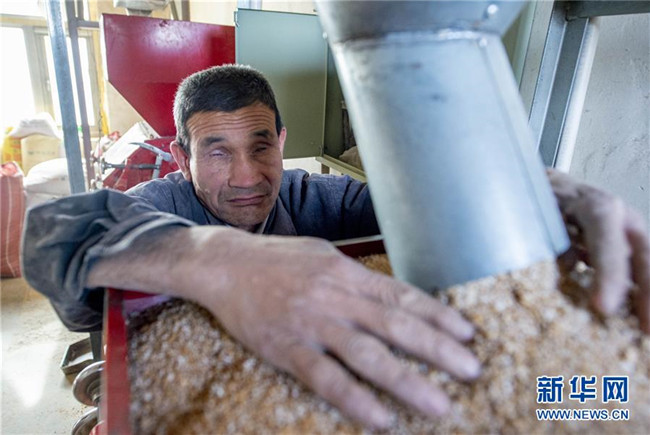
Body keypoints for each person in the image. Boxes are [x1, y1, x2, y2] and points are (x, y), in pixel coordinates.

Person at [22, 65, 649, 429]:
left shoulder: (317, 200)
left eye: (261, 146)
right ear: (182, 157)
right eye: (216, 152)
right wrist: (215, 260)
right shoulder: (160, 205)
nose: (247, 177)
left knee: (604, 396)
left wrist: (527, 191)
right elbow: (53, 233)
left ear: (282, 140)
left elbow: (427, 204)